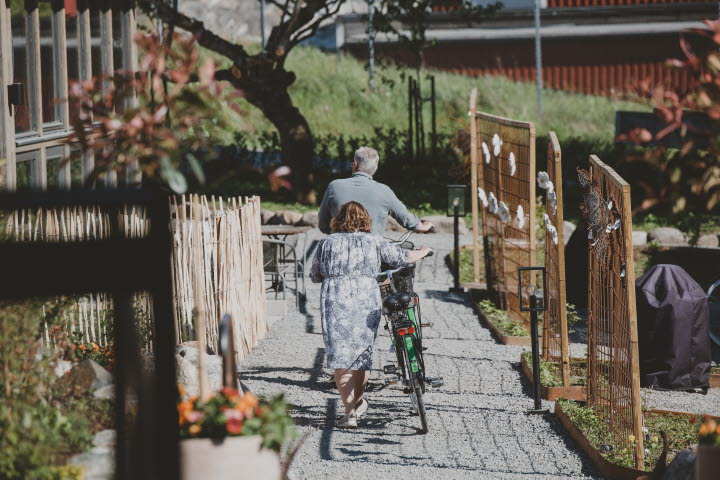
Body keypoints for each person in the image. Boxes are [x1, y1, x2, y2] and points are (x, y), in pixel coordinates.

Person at [310, 202, 432, 429]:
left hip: (335, 299)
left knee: (340, 356)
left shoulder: (326, 242)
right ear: (366, 220)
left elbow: (315, 275)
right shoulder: (374, 241)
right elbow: (402, 257)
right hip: (366, 299)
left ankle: (349, 414)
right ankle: (358, 402)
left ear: (338, 220)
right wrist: (423, 251)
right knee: (362, 354)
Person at [318, 146, 434, 236]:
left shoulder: (334, 186)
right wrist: (422, 226)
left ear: (355, 164)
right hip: (371, 256)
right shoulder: (384, 191)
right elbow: (406, 218)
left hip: (339, 253)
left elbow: (323, 224)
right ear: (375, 168)